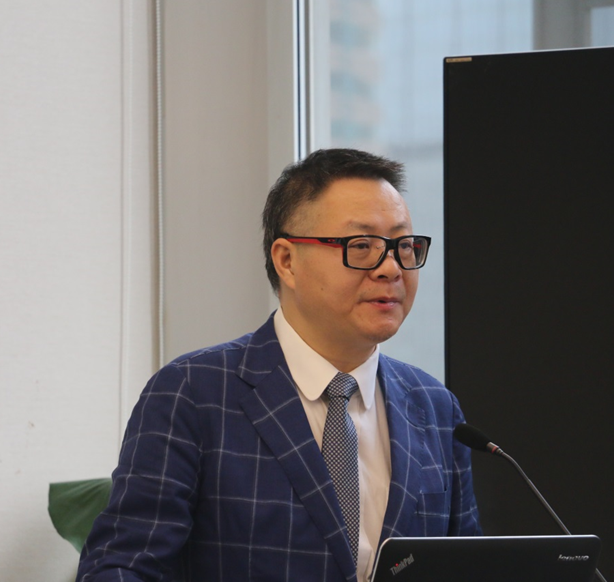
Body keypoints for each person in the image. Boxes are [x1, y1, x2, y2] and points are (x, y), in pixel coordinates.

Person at [77, 148, 481, 582]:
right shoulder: (193, 393)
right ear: (287, 261)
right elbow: (122, 568)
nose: (390, 268)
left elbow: (469, 567)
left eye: (403, 246)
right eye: (361, 246)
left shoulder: (434, 407)